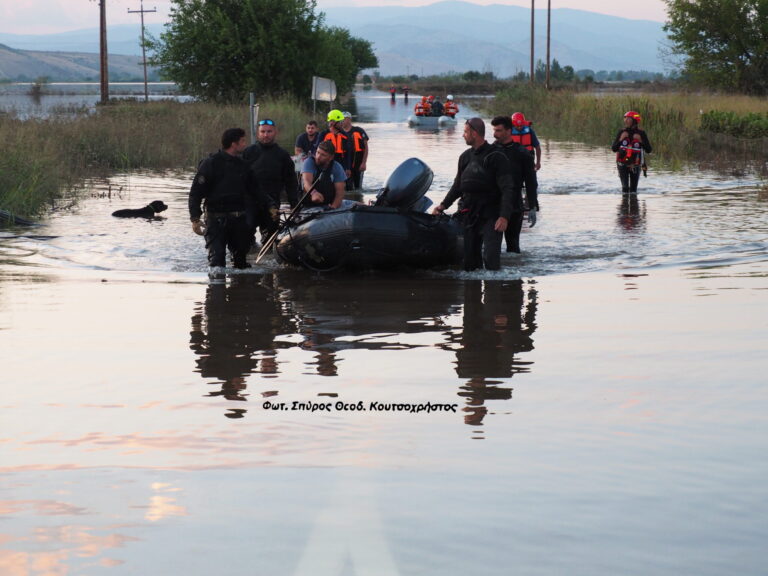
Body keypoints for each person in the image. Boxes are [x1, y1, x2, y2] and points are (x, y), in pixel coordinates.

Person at [432, 118, 521, 271]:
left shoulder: (496, 156)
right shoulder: (465, 157)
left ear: (474, 133)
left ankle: (494, 290)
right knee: (470, 264)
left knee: (491, 260)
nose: (463, 135)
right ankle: (471, 291)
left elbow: (508, 189)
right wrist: (442, 206)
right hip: (469, 214)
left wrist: (504, 216)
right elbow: (458, 186)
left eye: (465, 132)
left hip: (492, 215)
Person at [189, 127, 265, 270]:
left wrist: (271, 207)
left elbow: (256, 191)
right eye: (242, 141)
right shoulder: (210, 163)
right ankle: (216, 288)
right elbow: (196, 193)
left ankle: (240, 290)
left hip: (239, 220)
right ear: (233, 144)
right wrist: (195, 218)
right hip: (215, 219)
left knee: (241, 263)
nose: (245, 144)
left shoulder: (243, 166)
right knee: (217, 263)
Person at [242, 118, 298, 241]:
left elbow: (291, 182)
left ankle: (268, 259)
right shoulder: (248, 152)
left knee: (271, 239)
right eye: (262, 132)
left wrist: (294, 204)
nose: (266, 135)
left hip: (272, 203)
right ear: (258, 133)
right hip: (250, 202)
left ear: (275, 132)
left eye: (269, 131)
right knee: (245, 238)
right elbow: (238, 178)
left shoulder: (282, 155)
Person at [491, 115, 538, 252]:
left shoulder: (523, 154)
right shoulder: (490, 151)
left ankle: (515, 270)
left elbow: (531, 183)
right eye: (494, 130)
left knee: (513, 246)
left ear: (509, 130)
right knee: (492, 246)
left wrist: (532, 207)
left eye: (498, 131)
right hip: (493, 205)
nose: (495, 134)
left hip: (515, 205)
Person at [611, 110, 652, 194]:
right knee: (625, 189)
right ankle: (624, 206)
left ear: (634, 120)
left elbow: (649, 150)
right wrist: (621, 139)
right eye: (625, 118)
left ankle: (634, 206)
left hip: (636, 165)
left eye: (628, 118)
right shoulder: (622, 132)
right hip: (622, 164)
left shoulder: (641, 133)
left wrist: (640, 140)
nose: (626, 120)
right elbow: (614, 149)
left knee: (633, 190)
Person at [300, 140, 346, 210]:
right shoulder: (309, 162)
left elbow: (340, 192)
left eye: (323, 155)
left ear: (331, 157)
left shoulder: (337, 167)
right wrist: (314, 193)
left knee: (357, 205)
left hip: (329, 205)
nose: (318, 157)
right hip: (309, 206)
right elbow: (306, 182)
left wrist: (333, 207)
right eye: (318, 152)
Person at [318, 109, 352, 182]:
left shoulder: (345, 135)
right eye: (340, 122)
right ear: (333, 122)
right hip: (326, 165)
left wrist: (348, 168)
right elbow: (317, 152)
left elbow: (348, 154)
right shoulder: (323, 134)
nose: (342, 123)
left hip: (341, 165)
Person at [341, 111, 369, 190]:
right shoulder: (339, 133)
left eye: (344, 119)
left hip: (358, 164)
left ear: (349, 119)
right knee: (347, 188)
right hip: (345, 165)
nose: (341, 121)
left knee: (358, 188)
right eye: (340, 119)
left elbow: (366, 147)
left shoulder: (359, 130)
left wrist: (363, 163)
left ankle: (358, 200)